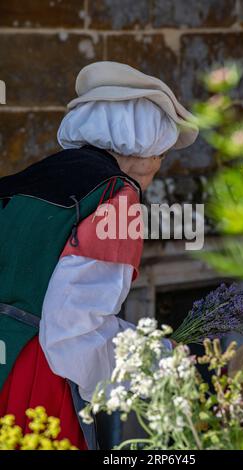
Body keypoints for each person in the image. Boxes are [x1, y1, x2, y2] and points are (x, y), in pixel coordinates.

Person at [0, 62, 198, 449]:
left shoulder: (16, 183)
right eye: (160, 151)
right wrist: (160, 357)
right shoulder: (116, 197)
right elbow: (72, 333)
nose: (159, 164)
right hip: (36, 383)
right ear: (140, 141)